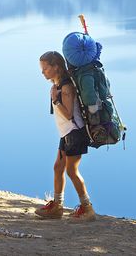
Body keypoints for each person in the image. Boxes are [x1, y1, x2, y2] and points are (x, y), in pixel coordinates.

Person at [35, 51, 96, 221]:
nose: (43, 72)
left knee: (71, 171)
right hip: (67, 135)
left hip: (75, 134)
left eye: (46, 68)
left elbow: (69, 114)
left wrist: (55, 100)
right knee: (58, 168)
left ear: (56, 67)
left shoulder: (66, 87)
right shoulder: (58, 85)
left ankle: (88, 209)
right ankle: (57, 207)